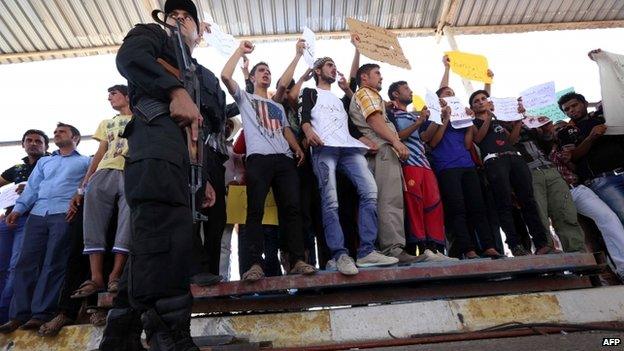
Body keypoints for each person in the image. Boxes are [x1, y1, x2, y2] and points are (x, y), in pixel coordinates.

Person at [99, 0, 217, 349]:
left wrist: (204, 174)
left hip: (184, 162)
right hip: (154, 142)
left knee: (158, 239)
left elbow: (198, 128)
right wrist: (175, 90)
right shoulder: (151, 35)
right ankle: (169, 335)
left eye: (187, 18)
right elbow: (129, 58)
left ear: (199, 31)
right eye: (173, 16)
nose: (179, 20)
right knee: (163, 233)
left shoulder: (198, 71)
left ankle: (120, 335)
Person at [221, 40, 317, 281]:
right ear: (252, 78)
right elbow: (224, 75)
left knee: (292, 209)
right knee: (254, 210)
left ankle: (296, 260)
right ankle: (254, 264)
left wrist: (297, 149)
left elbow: (285, 129)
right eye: (261, 71)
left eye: (268, 71)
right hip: (259, 160)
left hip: (284, 160)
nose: (266, 74)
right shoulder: (245, 99)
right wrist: (239, 52)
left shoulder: (277, 105)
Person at [301, 56, 398, 275]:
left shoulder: (339, 99)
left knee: (370, 192)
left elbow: (351, 124)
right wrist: (308, 132)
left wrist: (362, 140)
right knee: (330, 201)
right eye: (329, 65)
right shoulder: (310, 92)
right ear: (317, 71)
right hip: (324, 148)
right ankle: (339, 254)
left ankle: (366, 251)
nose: (334, 69)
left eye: (335, 65)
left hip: (348, 149)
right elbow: (304, 116)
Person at [0, 123, 89, 333]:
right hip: (38, 213)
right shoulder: (45, 162)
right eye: (56, 132)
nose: (57, 134)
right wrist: (19, 209)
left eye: (62, 132)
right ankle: (18, 315)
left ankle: (41, 314)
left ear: (75, 138)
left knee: (53, 263)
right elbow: (32, 188)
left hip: (64, 214)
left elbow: (88, 184)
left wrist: (79, 197)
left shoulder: (86, 161)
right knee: (24, 264)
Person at [469, 90, 554, 256]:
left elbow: (512, 140)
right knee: (504, 203)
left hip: (515, 159)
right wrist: (489, 117)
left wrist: (518, 122)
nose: (480, 102)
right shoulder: (472, 122)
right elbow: (478, 139)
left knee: (528, 201)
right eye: (476, 101)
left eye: (483, 99)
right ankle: (515, 245)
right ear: (471, 107)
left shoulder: (498, 122)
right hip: (494, 161)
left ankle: (541, 243)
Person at [348, 64, 418, 263]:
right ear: (364, 77)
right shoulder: (366, 93)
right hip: (384, 151)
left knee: (383, 201)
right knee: (389, 201)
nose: (381, 77)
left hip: (380, 153)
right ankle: (393, 249)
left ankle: (385, 248)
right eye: (377, 73)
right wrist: (395, 141)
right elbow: (374, 120)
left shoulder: (370, 96)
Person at [69, 85, 132, 300]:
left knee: (127, 222)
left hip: (131, 170)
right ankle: (96, 278)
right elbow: (100, 152)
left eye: (113, 94)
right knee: (92, 223)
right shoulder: (108, 123)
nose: (109, 98)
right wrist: (84, 185)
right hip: (104, 171)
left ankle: (115, 275)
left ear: (127, 95)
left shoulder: (141, 118)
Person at [387, 81, 458, 261]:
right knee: (414, 204)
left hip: (424, 164)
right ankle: (420, 248)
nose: (410, 92)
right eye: (406, 89)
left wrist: (438, 117)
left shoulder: (413, 115)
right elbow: (396, 137)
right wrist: (419, 122)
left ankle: (436, 248)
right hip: (408, 163)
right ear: (395, 94)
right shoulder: (390, 114)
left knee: (434, 204)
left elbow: (426, 137)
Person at [550, 121, 624, 278]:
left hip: (576, 189)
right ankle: (592, 274)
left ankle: (622, 269)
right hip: (556, 196)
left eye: (564, 128)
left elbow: (578, 169)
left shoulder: (570, 146)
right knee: (580, 234)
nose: (560, 131)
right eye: (556, 129)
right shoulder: (541, 147)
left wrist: (570, 157)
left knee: (608, 219)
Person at [514, 120, 586, 252]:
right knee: (539, 214)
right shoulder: (500, 128)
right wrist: (517, 123)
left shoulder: (530, 126)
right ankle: (547, 249)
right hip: (528, 174)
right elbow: (511, 141)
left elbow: (547, 146)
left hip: (550, 169)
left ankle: (577, 250)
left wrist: (547, 130)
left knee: (564, 211)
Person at [0, 129, 49, 324]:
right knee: (2, 265)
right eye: (29, 140)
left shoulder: (50, 163)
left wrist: (30, 186)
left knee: (16, 265)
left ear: (46, 146)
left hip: (31, 218)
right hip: (8, 219)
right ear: (23, 144)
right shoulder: (17, 167)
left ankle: (7, 312)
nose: (33, 143)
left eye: (38, 141)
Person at [558, 88, 624, 225]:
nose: (571, 110)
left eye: (574, 105)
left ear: (585, 104)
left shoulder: (605, 117)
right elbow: (573, 157)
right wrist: (590, 138)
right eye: (567, 109)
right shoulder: (565, 133)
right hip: (603, 180)